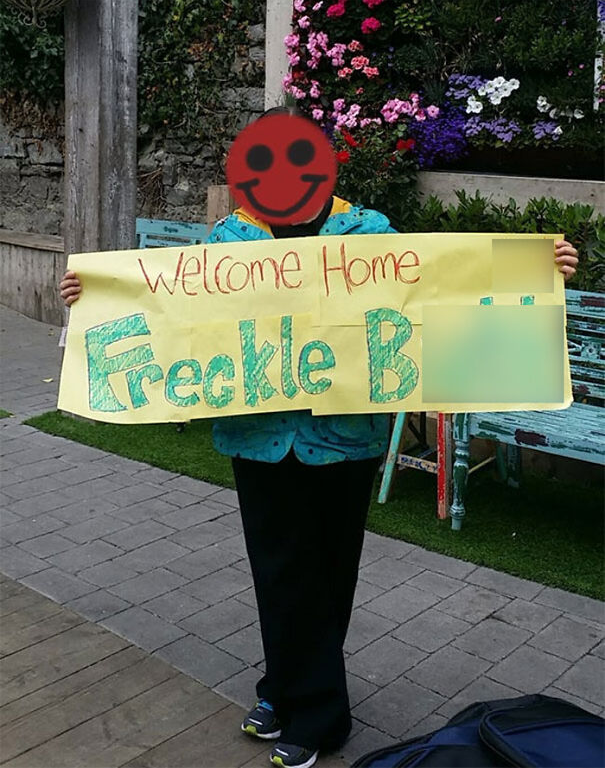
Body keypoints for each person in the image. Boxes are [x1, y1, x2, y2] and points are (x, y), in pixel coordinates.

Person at [60, 111, 579, 768]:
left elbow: (438, 289)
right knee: (278, 569)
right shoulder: (228, 238)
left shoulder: (368, 234)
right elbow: (169, 309)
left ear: (324, 163)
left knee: (328, 570)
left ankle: (311, 707)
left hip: (345, 438)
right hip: (260, 439)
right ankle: (294, 695)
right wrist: (91, 295)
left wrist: (539, 270)